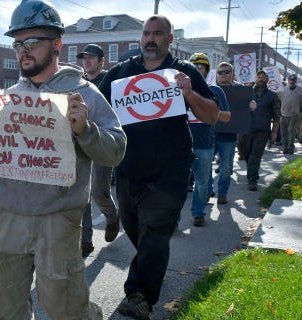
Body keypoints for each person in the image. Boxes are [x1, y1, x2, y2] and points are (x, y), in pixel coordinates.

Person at [0, 1, 126, 318]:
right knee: (3, 307)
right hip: (9, 215)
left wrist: (85, 130)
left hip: (59, 218)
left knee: (66, 308)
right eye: (18, 43)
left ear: (57, 45)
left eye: (32, 42)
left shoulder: (84, 93)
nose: (23, 50)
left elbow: (116, 150)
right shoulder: (8, 97)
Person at [98, 15, 218, 319]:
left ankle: (139, 295)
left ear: (170, 39)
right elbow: (96, 106)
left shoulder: (185, 72)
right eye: (146, 33)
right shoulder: (121, 73)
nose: (150, 39)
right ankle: (149, 269)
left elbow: (212, 115)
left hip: (170, 171)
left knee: (155, 231)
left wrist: (189, 93)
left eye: (158, 33)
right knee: (137, 230)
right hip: (128, 169)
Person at [77, 43, 119, 256]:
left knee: (99, 192)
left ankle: (112, 216)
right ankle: (86, 240)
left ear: (102, 60)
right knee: (82, 192)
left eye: (92, 57)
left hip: (103, 141)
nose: (87, 60)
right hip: (81, 142)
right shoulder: (78, 83)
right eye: (84, 57)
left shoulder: (110, 81)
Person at [188, 53, 229, 226]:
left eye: (201, 67)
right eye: (193, 67)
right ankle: (173, 220)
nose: (197, 70)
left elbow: (227, 117)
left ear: (206, 70)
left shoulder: (215, 90)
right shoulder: (176, 90)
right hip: (179, 145)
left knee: (203, 182)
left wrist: (209, 111)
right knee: (176, 185)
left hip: (204, 144)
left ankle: (198, 213)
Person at [212, 62, 253, 204]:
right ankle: (208, 189)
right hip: (210, 134)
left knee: (226, 168)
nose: (223, 74)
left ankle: (222, 193)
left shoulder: (241, 91)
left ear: (232, 74)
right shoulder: (210, 89)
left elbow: (249, 104)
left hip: (229, 137)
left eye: (227, 71)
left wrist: (252, 104)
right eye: (221, 72)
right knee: (204, 166)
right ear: (216, 75)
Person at [241, 70, 281, 191]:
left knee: (255, 155)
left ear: (267, 79)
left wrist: (274, 132)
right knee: (245, 153)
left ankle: (252, 180)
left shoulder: (273, 96)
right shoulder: (247, 93)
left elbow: (277, 117)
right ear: (255, 79)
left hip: (262, 131)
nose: (261, 79)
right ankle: (252, 173)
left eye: (263, 77)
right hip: (246, 129)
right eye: (259, 77)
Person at [279, 74, 302, 154]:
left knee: (291, 131)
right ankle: (285, 147)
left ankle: (290, 147)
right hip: (283, 113)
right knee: (283, 132)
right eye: (290, 80)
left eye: (293, 80)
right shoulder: (283, 89)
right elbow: (275, 95)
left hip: (294, 114)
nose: (292, 81)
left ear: (295, 81)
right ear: (288, 80)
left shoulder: (300, 90)